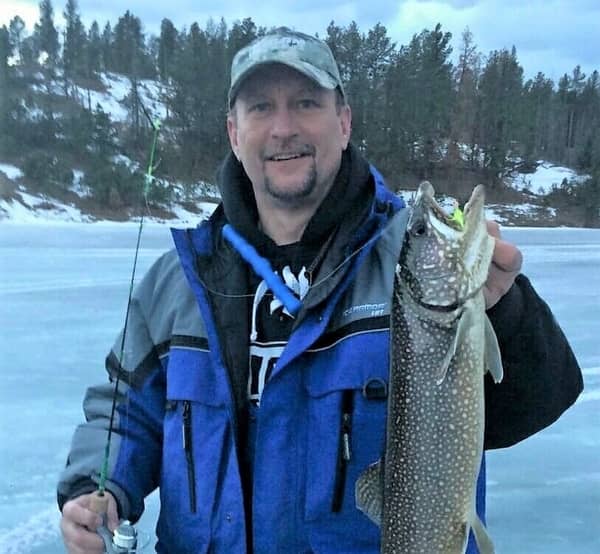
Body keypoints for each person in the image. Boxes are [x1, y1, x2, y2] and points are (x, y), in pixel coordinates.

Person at [58, 28, 583, 554]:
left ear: (344, 121)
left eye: (306, 103)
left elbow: (535, 401)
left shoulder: (414, 264)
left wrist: (506, 311)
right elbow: (126, 410)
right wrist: (94, 487)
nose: (284, 128)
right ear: (234, 133)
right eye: (261, 107)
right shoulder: (176, 282)